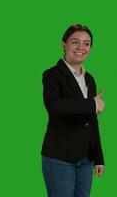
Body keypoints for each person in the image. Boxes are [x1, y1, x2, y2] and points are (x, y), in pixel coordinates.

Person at [41, 24, 105, 197]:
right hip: (60, 157)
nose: (81, 48)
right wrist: (92, 104)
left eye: (86, 43)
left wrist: (98, 158)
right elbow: (55, 105)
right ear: (64, 45)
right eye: (75, 42)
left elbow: (92, 121)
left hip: (85, 158)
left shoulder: (89, 79)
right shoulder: (52, 75)